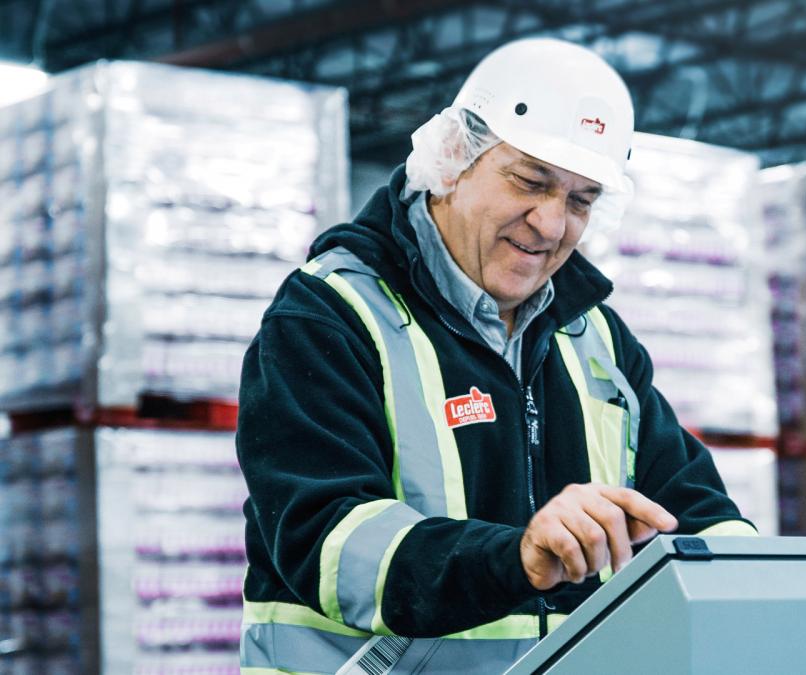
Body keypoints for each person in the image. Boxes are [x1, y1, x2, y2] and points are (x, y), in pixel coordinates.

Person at [236, 37, 755, 674]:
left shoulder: (595, 340)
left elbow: (692, 508)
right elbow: (327, 541)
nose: (550, 223)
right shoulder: (330, 317)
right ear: (454, 158)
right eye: (530, 181)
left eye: (581, 199)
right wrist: (518, 559)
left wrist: (761, 583)